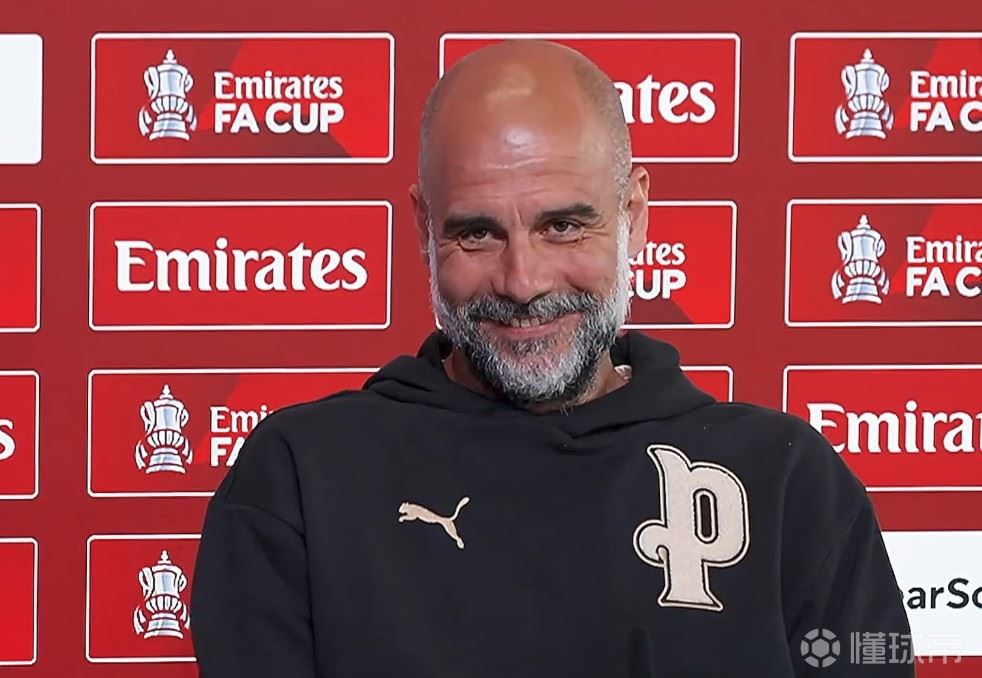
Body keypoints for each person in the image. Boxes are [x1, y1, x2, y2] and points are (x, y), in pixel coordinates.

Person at [191, 40, 913, 677]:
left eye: (563, 226)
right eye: (477, 234)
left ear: (633, 214)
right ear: (423, 227)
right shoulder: (301, 480)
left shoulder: (789, 483)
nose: (522, 282)